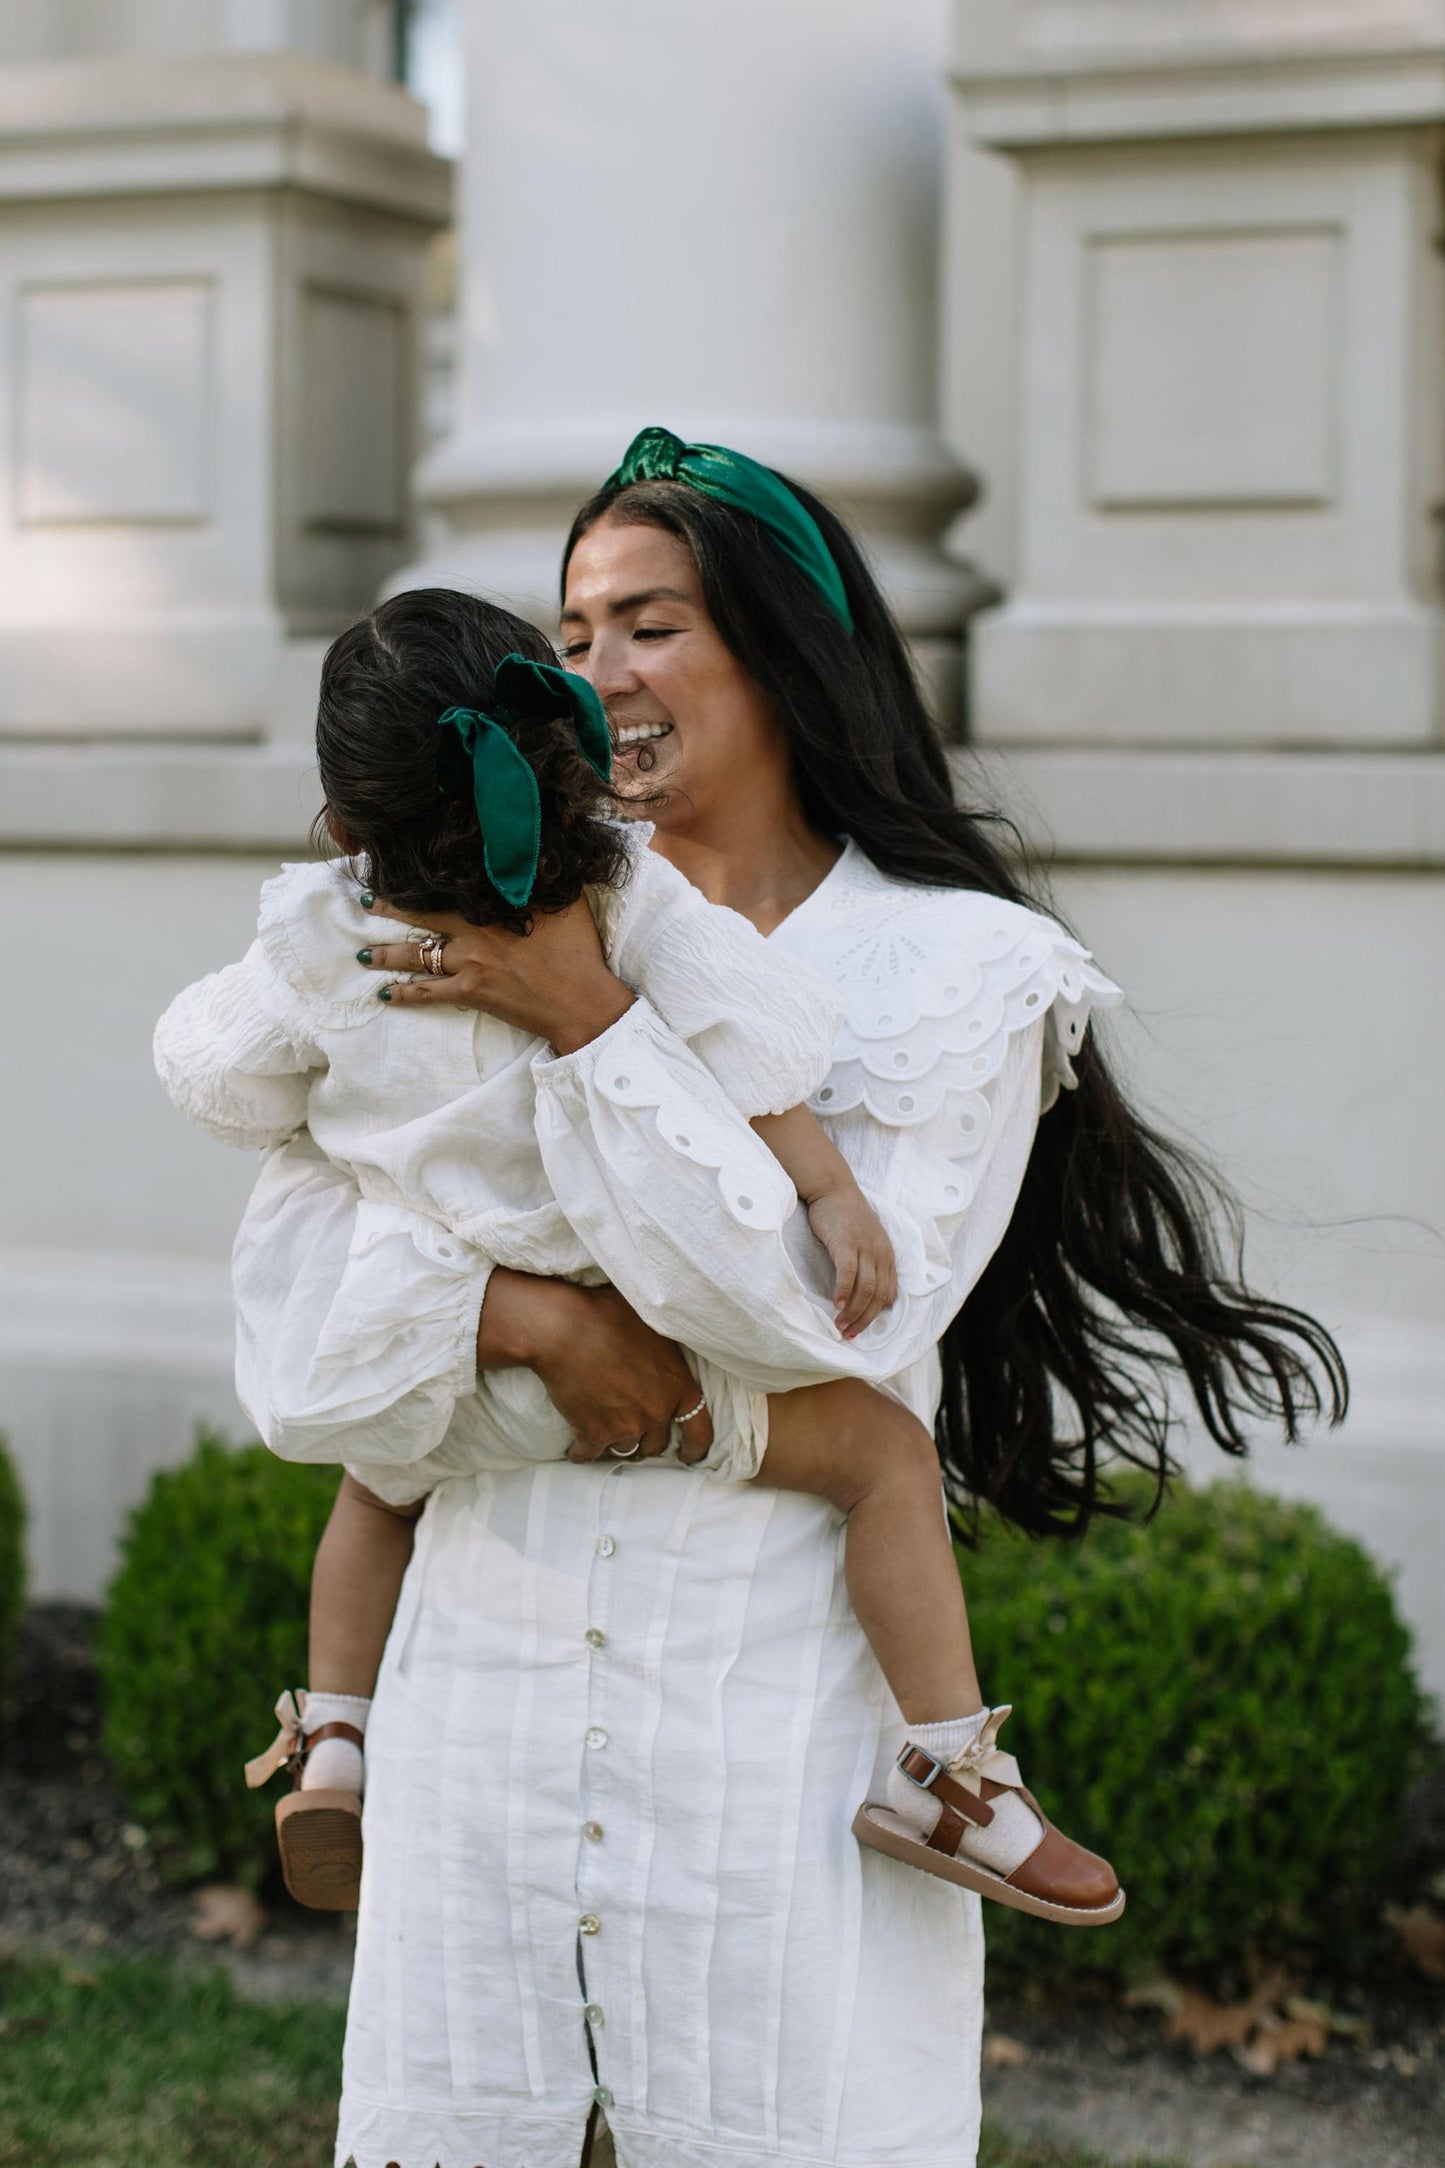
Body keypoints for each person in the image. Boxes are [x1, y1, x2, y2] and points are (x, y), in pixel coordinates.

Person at [221, 428, 1345, 2168]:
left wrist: (590, 1027)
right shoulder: (443, 931)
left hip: (767, 1774)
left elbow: (826, 1330)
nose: (597, 676)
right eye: (572, 635)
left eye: (650, 624)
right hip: (481, 1743)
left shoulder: (955, 976)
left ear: (783, 653)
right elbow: (302, 1348)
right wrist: (531, 1324)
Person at [156, 580, 1123, 1927]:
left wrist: (326, 1095)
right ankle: (947, 1771)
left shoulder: (325, 940)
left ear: (342, 819)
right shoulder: (622, 891)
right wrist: (830, 1188)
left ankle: (330, 1735)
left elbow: (213, 1079)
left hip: (439, 1366)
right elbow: (757, 1039)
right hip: (649, 1358)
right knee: (884, 1457)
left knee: (372, 1499)